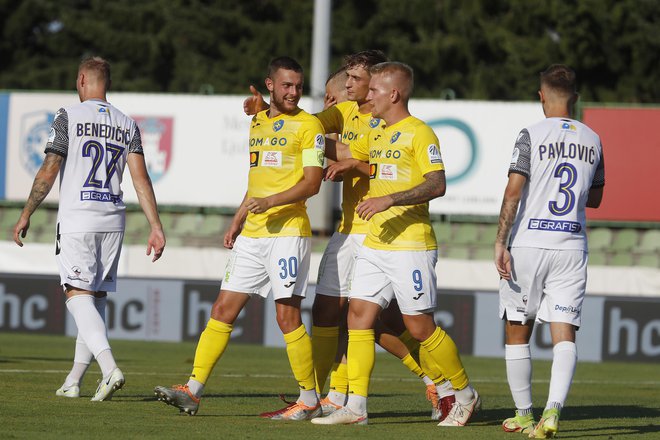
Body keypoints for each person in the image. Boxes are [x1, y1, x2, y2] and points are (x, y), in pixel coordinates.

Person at [245, 51, 452, 421]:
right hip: (348, 228)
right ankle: (324, 395)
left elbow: (374, 162)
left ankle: (439, 384)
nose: (342, 92)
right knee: (335, 313)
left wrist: (351, 162)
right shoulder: (343, 113)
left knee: (381, 323)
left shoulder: (385, 122)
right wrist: (269, 113)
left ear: (376, 86)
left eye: (351, 83)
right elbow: (306, 128)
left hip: (379, 230)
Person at [154, 56, 325, 419]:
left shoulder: (309, 126)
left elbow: (311, 183)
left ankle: (309, 399)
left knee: (287, 318)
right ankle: (193, 390)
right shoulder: (258, 123)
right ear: (270, 85)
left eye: (298, 85)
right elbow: (256, 183)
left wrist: (270, 202)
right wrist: (238, 220)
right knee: (221, 310)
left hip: (288, 233)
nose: (294, 92)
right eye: (287, 85)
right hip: (254, 232)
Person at [312, 62, 480, 427]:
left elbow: (437, 184)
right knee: (359, 319)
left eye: (373, 91)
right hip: (376, 241)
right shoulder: (379, 132)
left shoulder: (420, 134)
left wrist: (391, 200)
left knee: (419, 327)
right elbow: (357, 159)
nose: (366, 96)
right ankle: (356, 408)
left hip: (410, 245)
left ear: (394, 94)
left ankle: (465, 393)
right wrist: (299, 133)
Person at [13, 56, 166, 401]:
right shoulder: (127, 124)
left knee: (76, 294)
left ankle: (110, 368)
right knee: (94, 298)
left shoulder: (68, 116)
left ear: (82, 80)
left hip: (79, 218)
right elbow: (141, 179)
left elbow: (50, 169)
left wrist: (26, 213)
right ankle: (74, 380)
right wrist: (156, 226)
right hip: (113, 219)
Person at [495, 64, 605, 438]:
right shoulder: (593, 139)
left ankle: (525, 414)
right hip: (572, 245)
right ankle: (553, 412)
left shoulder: (530, 133)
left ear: (541, 96)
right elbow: (597, 197)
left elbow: (514, 191)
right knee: (565, 334)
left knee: (516, 330)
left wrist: (500, 241)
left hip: (529, 243)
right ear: (575, 97)